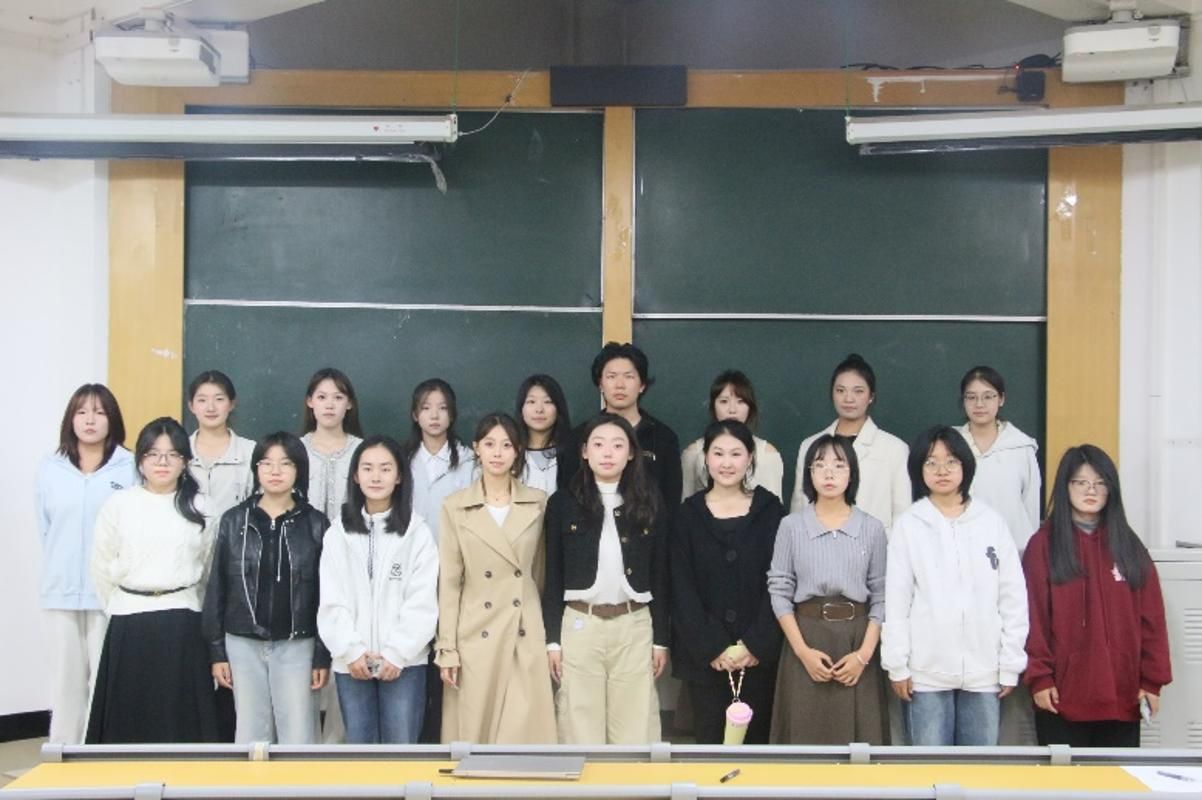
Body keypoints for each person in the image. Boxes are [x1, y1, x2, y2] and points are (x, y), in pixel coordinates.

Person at [881, 426, 1028, 747]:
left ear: (965, 465)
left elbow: (1013, 598)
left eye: (951, 461)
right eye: (931, 462)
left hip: (985, 671)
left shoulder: (991, 522)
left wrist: (1010, 663)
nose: (942, 470)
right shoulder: (910, 525)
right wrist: (898, 665)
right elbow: (897, 600)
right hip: (925, 673)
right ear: (919, 470)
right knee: (929, 769)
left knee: (980, 769)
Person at [1023, 445, 1171, 748]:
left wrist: (1151, 681)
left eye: (1100, 483)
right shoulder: (1043, 545)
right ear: (1065, 487)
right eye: (1080, 482)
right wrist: (1040, 677)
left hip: (1123, 695)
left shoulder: (1129, 546)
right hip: (1060, 697)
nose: (1091, 490)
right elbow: (1032, 619)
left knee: (1118, 777)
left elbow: (1152, 619)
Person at [87, 417, 218, 743]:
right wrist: (120, 604)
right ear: (140, 459)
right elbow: (101, 566)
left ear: (185, 462)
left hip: (183, 621)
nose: (163, 462)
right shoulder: (119, 504)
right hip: (129, 621)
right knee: (129, 719)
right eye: (153, 454)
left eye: (173, 454)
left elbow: (207, 568)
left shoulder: (201, 506)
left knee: (180, 719)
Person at [543, 413, 670, 744]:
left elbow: (661, 573)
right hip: (580, 624)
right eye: (598, 445)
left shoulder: (649, 500)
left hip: (634, 623)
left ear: (631, 453)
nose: (608, 453)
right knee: (578, 724)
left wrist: (661, 639)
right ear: (585, 452)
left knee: (635, 726)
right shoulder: (563, 503)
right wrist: (553, 641)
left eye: (618, 445)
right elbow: (552, 575)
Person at [202, 432, 331, 744]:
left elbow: (326, 596)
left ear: (299, 470)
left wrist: (321, 655)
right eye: (266, 463)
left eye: (285, 464)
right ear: (256, 468)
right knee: (250, 734)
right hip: (243, 643)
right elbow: (217, 587)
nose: (275, 471)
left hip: (297, 644)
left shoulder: (315, 524)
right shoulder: (234, 521)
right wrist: (217, 651)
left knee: (298, 735)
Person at [436, 413, 556, 744]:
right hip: (476, 629)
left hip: (524, 628)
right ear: (477, 448)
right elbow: (450, 582)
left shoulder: (538, 502)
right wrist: (447, 647)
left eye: (506, 445)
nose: (498, 453)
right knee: (477, 736)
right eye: (490, 444)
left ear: (518, 450)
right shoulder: (455, 506)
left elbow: (540, 573)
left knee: (524, 736)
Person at [768, 433, 889, 745]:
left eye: (839, 465)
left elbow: (881, 595)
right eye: (819, 465)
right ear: (809, 473)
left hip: (857, 640)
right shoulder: (791, 526)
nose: (829, 473)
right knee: (804, 738)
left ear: (852, 473)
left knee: (860, 744)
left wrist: (863, 656)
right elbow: (779, 590)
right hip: (806, 637)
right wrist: (802, 652)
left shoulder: (872, 528)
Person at [318, 435, 439, 744]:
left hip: (404, 664)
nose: (376, 477)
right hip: (352, 663)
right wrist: (351, 651)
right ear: (355, 476)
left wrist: (397, 653)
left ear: (399, 477)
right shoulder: (337, 533)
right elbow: (331, 600)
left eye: (385, 469)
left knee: (401, 751)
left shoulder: (417, 533)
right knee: (360, 753)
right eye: (367, 468)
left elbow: (422, 602)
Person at [672, 420, 783, 744]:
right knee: (709, 751)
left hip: (759, 658)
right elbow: (681, 588)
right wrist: (713, 646)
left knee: (759, 752)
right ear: (706, 458)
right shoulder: (687, 515)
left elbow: (781, 582)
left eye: (736, 454)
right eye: (718, 453)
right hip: (707, 661)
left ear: (750, 458)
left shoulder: (771, 511)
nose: (726, 463)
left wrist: (755, 644)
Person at [35, 384, 133, 745]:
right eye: (82, 412)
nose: (90, 420)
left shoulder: (128, 467)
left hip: (108, 593)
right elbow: (46, 528)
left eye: (99, 412)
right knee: (65, 680)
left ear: (112, 420)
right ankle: (62, 750)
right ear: (70, 419)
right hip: (60, 591)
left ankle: (98, 751)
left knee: (106, 681)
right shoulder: (51, 467)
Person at [953, 365, 1041, 746]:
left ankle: (1009, 751)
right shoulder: (951, 446)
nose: (980, 404)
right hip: (958, 571)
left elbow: (1030, 511)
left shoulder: (1021, 448)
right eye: (972, 397)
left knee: (1006, 659)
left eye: (988, 396)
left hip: (1010, 570)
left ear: (1001, 400)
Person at [559, 342, 681, 520]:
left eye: (629, 376)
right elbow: (567, 497)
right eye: (611, 376)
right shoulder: (579, 436)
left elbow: (671, 502)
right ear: (600, 384)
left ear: (642, 385)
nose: (620, 385)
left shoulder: (663, 437)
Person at [789, 354, 909, 534]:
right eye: (840, 390)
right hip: (817, 546)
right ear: (832, 394)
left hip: (875, 547)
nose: (848, 399)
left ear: (871, 396)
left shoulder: (894, 449)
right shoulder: (810, 445)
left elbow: (902, 514)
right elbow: (799, 508)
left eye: (858, 391)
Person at [680, 370, 784, 501]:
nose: (732, 410)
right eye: (724, 401)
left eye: (741, 401)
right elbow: (686, 503)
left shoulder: (767, 453)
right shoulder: (693, 453)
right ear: (713, 406)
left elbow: (775, 507)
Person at [404, 378, 474, 544]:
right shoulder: (402, 461)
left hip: (456, 552)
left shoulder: (470, 461)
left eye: (443, 408)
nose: (434, 416)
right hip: (411, 552)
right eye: (426, 408)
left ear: (452, 415)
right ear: (415, 415)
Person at [186, 370, 255, 525]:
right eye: (202, 400)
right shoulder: (179, 452)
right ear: (191, 406)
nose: (211, 407)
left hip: (236, 537)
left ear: (231, 404)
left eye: (219, 399)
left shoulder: (250, 451)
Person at [301, 367, 365, 523]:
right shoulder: (296, 449)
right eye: (321, 397)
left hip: (351, 535)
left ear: (349, 403)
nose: (329, 405)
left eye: (338, 397)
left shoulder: (363, 450)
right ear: (310, 402)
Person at [514, 374, 573, 495]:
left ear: (558, 408)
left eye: (547, 401)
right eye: (531, 401)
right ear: (521, 408)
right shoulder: (510, 453)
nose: (539, 409)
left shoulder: (573, 453)